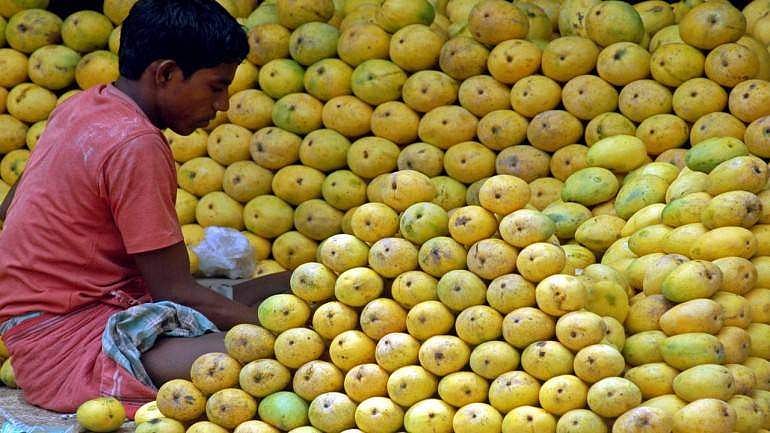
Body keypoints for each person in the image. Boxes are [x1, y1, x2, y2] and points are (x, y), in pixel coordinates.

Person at [0, 0, 290, 418]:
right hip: (72, 351)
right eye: (215, 86)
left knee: (293, 284)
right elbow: (175, 292)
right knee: (279, 360)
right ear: (167, 73)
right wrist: (287, 332)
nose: (223, 104)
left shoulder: (85, 105)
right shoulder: (136, 144)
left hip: (44, 326)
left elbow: (11, 206)